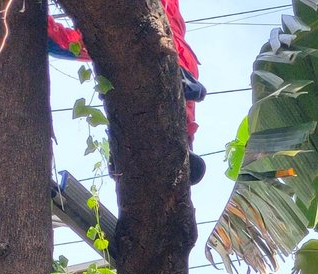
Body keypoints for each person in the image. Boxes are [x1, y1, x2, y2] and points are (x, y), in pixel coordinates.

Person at [46, 2, 206, 183]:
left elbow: (63, 43)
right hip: (173, 57)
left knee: (122, 49)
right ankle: (180, 136)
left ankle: (176, 86)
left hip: (169, 54)